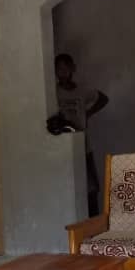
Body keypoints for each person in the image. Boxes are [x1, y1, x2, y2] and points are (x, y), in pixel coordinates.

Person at [52, 53, 109, 216]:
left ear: (73, 69)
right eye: (59, 69)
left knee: (91, 187)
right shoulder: (53, 91)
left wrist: (88, 113)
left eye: (65, 68)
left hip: (83, 145)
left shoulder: (82, 90)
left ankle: (94, 221)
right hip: (61, 146)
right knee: (68, 185)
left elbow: (103, 98)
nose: (62, 72)